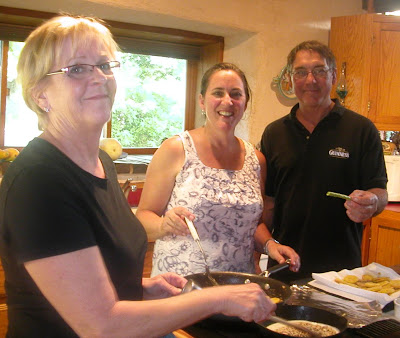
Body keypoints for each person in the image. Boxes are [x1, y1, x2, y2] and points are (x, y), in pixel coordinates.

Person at [0, 15, 278, 337]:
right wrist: (217, 298)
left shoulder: (100, 161)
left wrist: (142, 289)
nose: (99, 78)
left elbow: (94, 277)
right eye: (77, 69)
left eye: (104, 65)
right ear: (40, 95)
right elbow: (102, 326)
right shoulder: (40, 180)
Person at [136, 62, 300, 277]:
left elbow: (252, 224)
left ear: (245, 103)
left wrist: (270, 245)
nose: (227, 101)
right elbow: (143, 215)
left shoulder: (256, 160)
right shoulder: (177, 149)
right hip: (181, 286)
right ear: (202, 101)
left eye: (236, 94)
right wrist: (163, 226)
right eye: (218, 93)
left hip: (238, 285)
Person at [260, 40, 388, 282]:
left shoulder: (361, 129)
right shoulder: (274, 133)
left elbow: (379, 192)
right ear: (291, 77)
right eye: (301, 72)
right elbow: (268, 202)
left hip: (342, 272)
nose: (311, 80)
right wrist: (258, 251)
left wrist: (372, 202)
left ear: (334, 75)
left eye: (319, 70)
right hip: (285, 265)